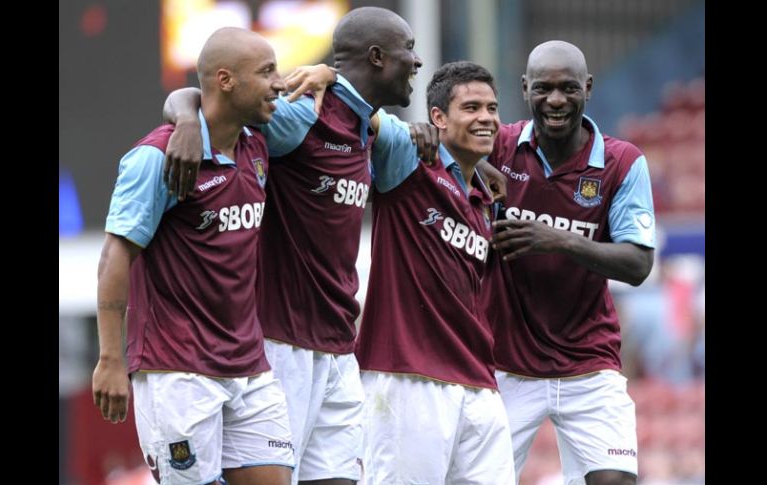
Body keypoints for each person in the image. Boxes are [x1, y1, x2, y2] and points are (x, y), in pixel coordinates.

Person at [161, 8, 422, 484]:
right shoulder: (303, 113)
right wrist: (183, 115)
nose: (418, 61)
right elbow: (218, 101)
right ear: (379, 57)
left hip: (341, 349)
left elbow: (432, 148)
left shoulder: (376, 130)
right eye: (409, 49)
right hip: (280, 345)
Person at [92, 27, 294, 485]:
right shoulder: (156, 157)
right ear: (226, 80)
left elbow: (328, 95)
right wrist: (109, 358)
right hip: (177, 371)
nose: (278, 83)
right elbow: (114, 257)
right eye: (266, 73)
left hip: (249, 367)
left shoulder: (257, 143)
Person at [487, 40, 656, 485]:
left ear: (589, 87)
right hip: (504, 360)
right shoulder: (498, 148)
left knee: (616, 480)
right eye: (543, 88)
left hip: (588, 360)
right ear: (525, 89)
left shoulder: (621, 162)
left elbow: (638, 265)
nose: (556, 100)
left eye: (568, 88)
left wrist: (558, 241)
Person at [357, 61, 514, 484]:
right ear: (439, 118)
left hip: (480, 382)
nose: (487, 118)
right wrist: (405, 126)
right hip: (408, 378)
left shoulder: (487, 199)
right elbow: (355, 106)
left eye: (492, 108)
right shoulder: (410, 161)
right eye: (472, 107)